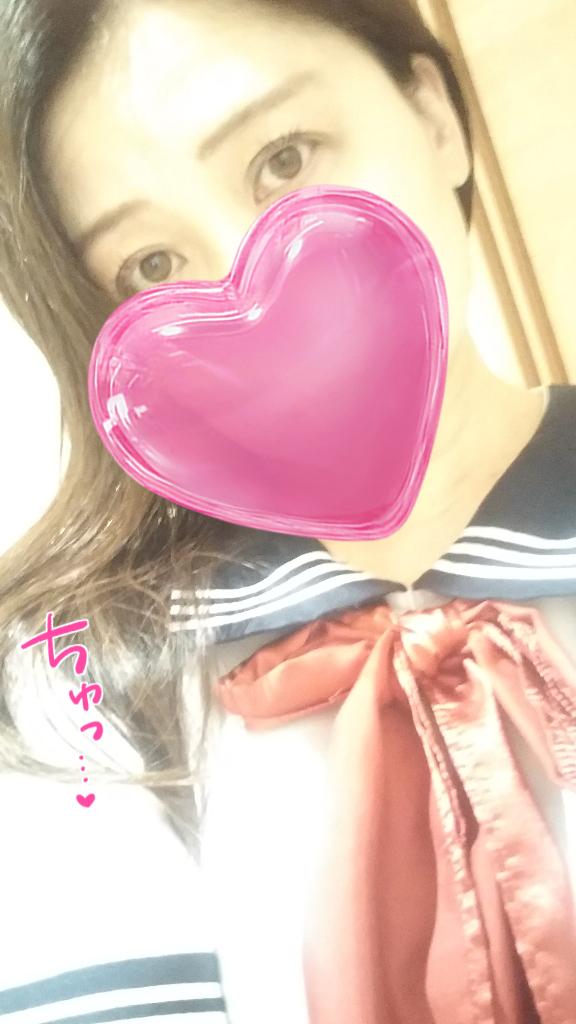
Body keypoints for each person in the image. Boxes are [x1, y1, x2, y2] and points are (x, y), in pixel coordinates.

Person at [0, 1, 575, 1022]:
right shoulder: (69, 676)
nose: (250, 284)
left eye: (283, 158)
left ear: (432, 114)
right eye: (151, 265)